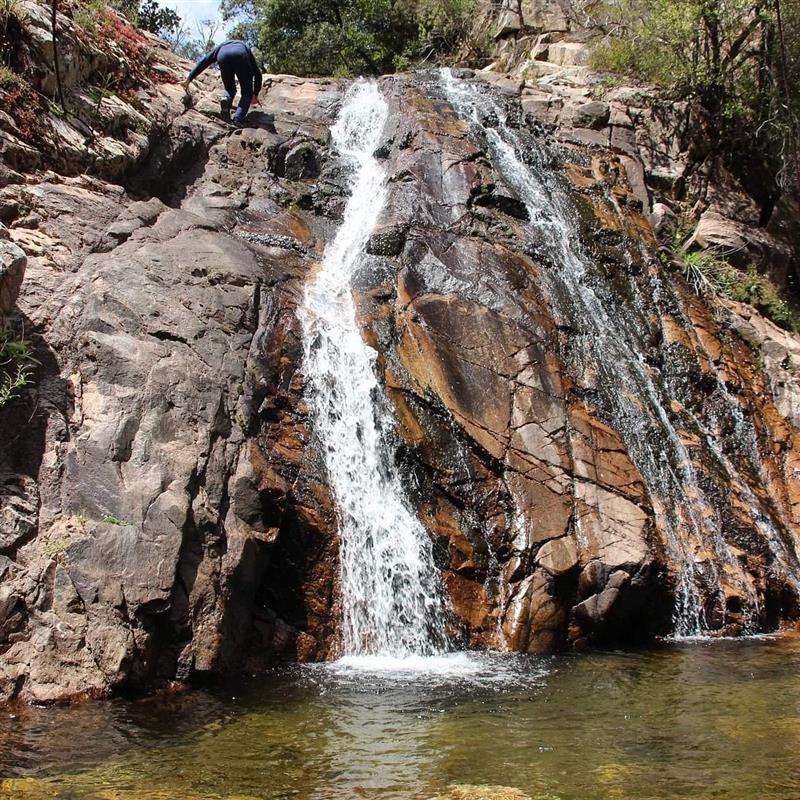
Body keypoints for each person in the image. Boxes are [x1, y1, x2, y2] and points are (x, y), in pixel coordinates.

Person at [181, 40, 262, 128]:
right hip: (240, 55)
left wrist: (189, 79)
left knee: (229, 89)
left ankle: (226, 100)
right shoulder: (244, 46)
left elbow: (204, 61)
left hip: (223, 55)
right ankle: (237, 120)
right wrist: (255, 94)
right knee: (247, 93)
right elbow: (257, 73)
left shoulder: (221, 45)